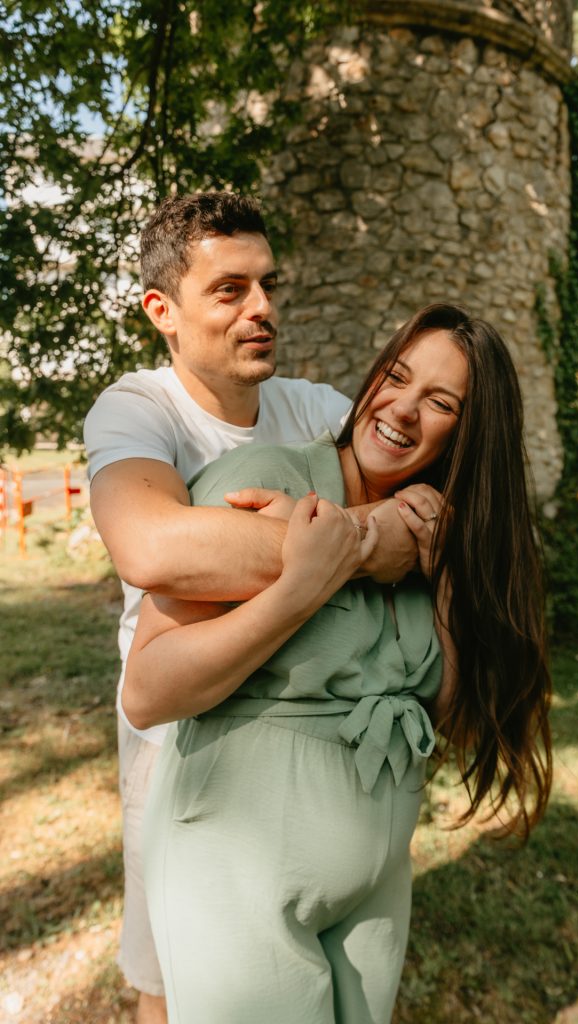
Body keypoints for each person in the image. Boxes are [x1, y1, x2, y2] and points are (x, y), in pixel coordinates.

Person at [121, 303, 553, 1024]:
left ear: (470, 431)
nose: (403, 410)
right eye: (397, 376)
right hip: (237, 866)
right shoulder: (262, 477)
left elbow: (457, 719)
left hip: (376, 880)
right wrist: (303, 585)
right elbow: (146, 692)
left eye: (441, 402)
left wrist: (443, 577)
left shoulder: (432, 527)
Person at [83, 191, 416, 1024]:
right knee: (167, 974)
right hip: (179, 732)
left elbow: (431, 517)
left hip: (314, 749)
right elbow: (152, 548)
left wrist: (333, 536)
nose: (262, 308)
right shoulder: (138, 409)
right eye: (229, 289)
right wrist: (335, 547)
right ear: (163, 310)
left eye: (267, 285)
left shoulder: (315, 408)